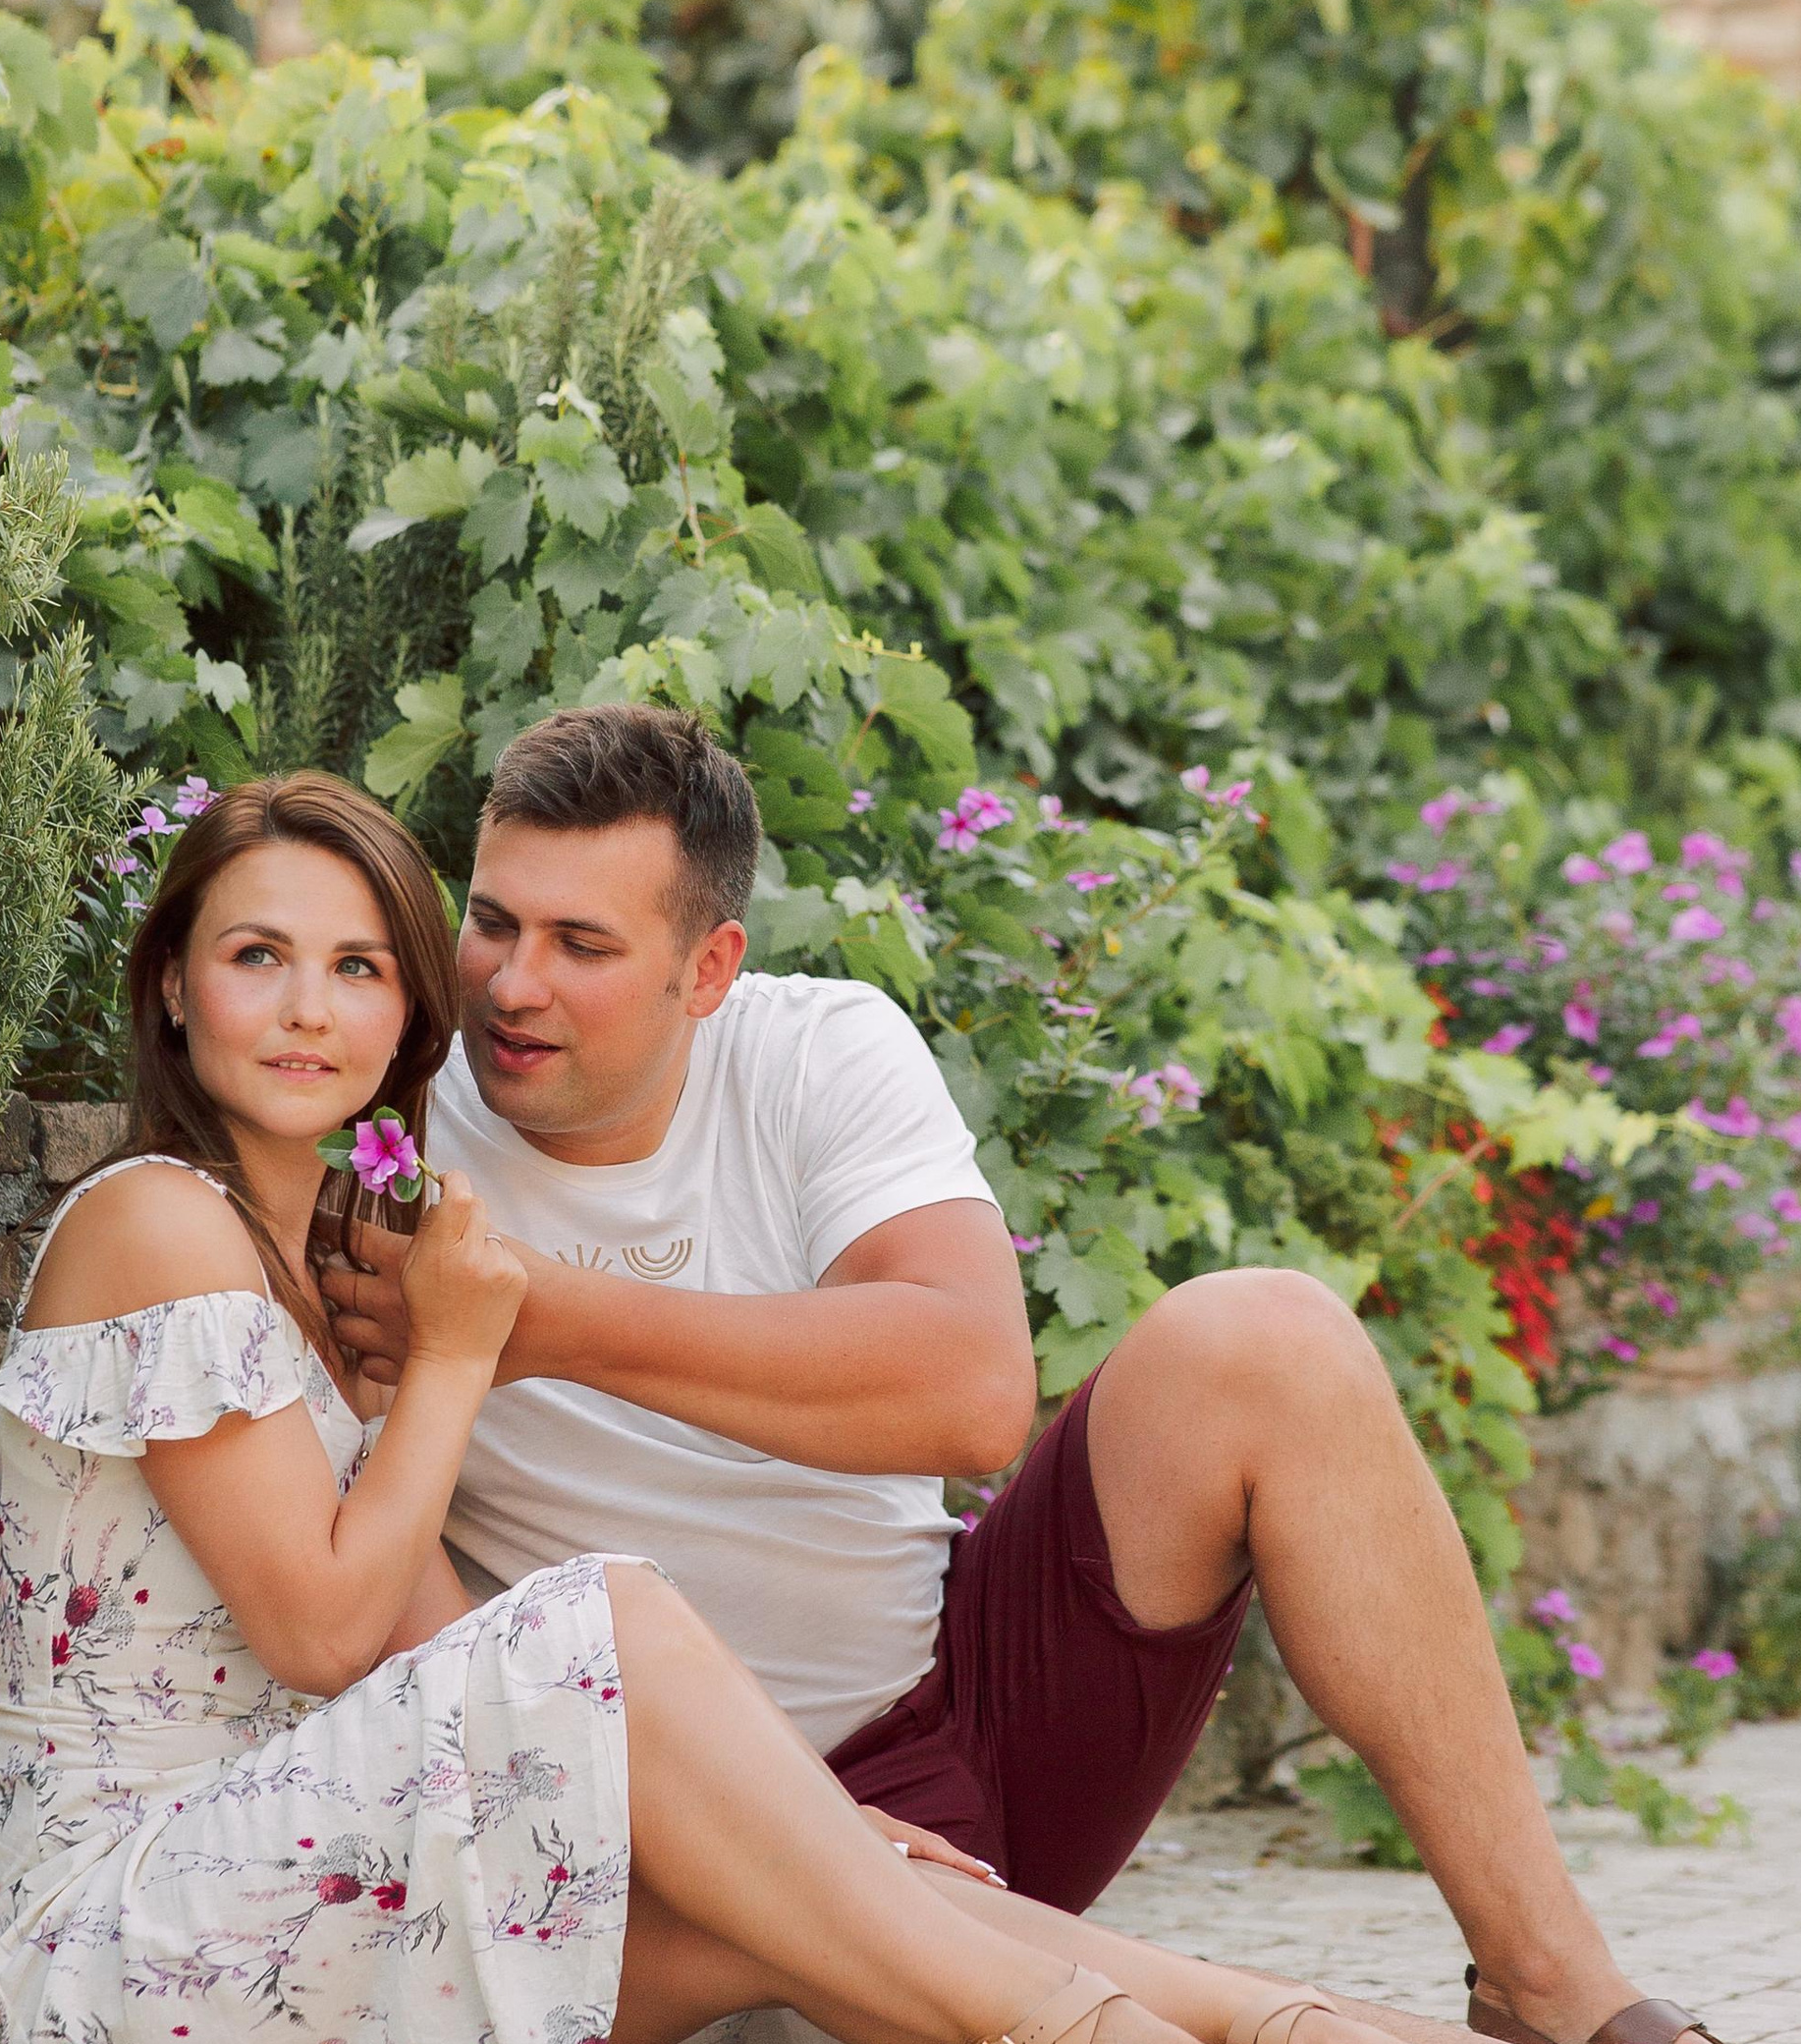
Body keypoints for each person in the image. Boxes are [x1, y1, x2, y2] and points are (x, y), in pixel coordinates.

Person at [323, 708, 1729, 2044]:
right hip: (659, 1831)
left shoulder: (818, 1051)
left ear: (708, 968)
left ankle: (1555, 1987)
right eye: (494, 921)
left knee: (1268, 1340)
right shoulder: (388, 1128)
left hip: (956, 1731)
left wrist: (532, 1323)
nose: (513, 983)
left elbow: (973, 1390)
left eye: (582, 942)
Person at [0, 770, 1391, 2044]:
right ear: (177, 985)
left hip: (319, 1886)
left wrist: (809, 1832)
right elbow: (321, 1631)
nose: (312, 1009)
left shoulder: (328, 1276)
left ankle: (1303, 2026)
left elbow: (428, 1646)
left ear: (405, 1017)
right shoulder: (154, 1225)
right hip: (116, 1942)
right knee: (612, 1624)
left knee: (799, 1908)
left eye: (362, 968)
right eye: (258, 957)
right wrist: (462, 1348)